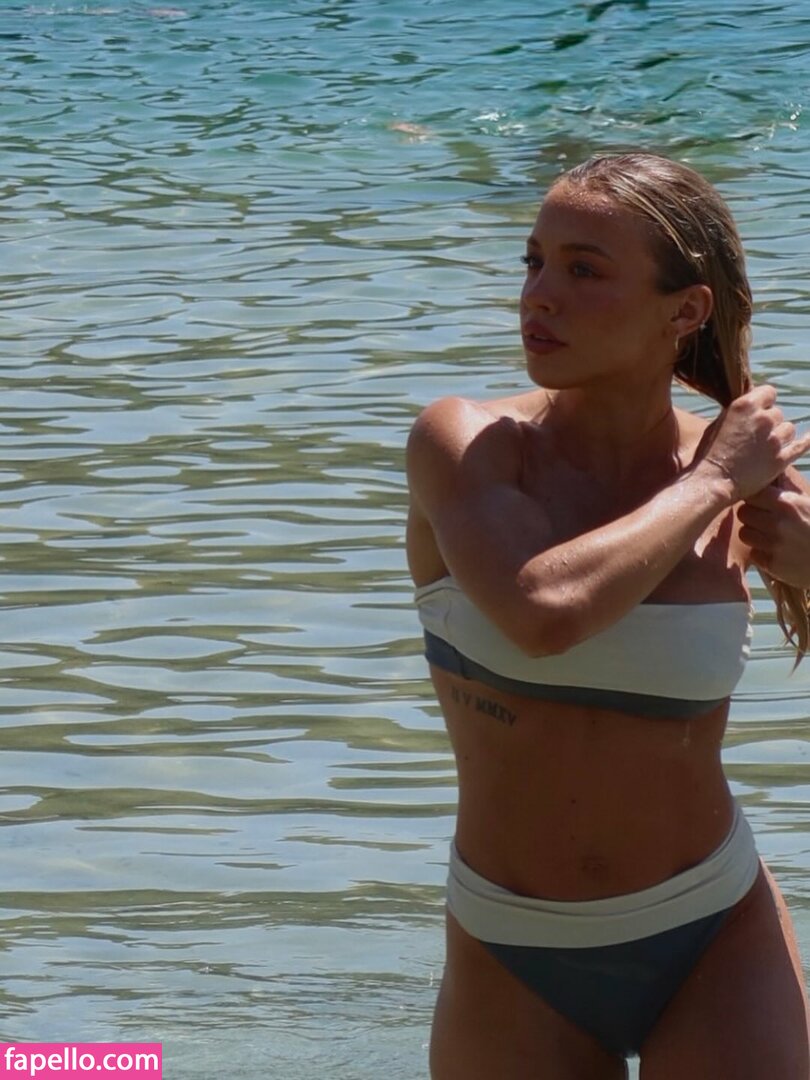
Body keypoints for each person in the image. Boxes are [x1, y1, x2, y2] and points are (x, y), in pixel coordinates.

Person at [406, 152, 810, 1079]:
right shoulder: (469, 446)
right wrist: (712, 484)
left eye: (584, 269)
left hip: (713, 930)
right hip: (511, 946)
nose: (539, 294)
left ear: (685, 311)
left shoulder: (742, 475)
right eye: (534, 261)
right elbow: (542, 613)